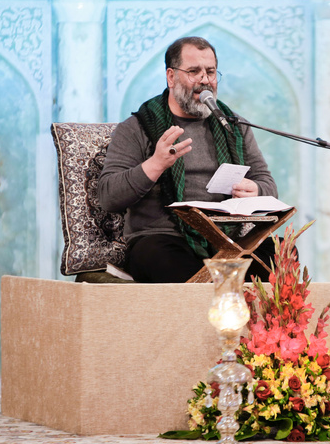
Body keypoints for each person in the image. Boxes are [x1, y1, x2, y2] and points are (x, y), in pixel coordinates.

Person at [98, 36, 279, 283]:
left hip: (227, 240)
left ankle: (251, 323)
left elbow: (267, 185)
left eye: (211, 72)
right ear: (171, 77)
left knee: (280, 254)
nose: (204, 80)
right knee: (164, 259)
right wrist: (156, 164)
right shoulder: (137, 127)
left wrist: (255, 189)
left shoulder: (234, 126)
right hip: (163, 239)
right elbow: (108, 196)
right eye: (194, 71)